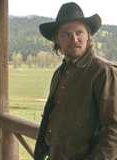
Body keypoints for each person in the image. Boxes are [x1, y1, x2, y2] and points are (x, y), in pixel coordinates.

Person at [34, 2, 117, 160]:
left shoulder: (103, 72)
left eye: (79, 32)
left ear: (88, 36)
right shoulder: (60, 73)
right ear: (57, 39)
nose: (74, 39)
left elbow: (114, 130)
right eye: (66, 34)